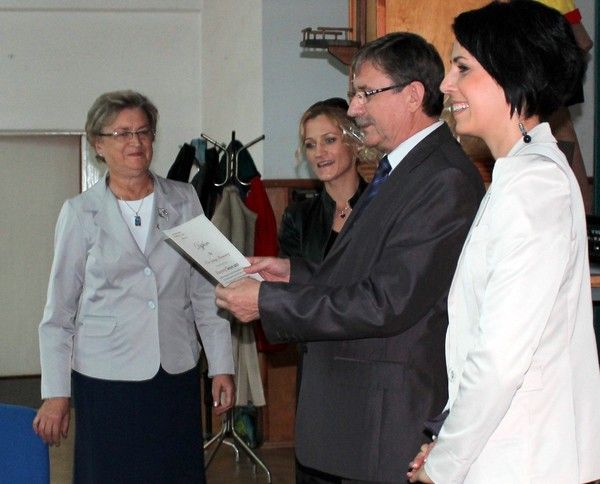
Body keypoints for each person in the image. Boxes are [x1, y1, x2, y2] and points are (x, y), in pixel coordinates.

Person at [216, 32, 485, 482]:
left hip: (388, 416)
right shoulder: (403, 167)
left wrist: (267, 302)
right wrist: (294, 273)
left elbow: (387, 301)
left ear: (413, 95)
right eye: (354, 94)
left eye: (365, 93)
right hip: (365, 412)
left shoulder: (442, 178)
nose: (355, 109)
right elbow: (364, 271)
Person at [406, 2, 600, 483]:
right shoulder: (519, 174)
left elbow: (500, 358)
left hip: (523, 461)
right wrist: (447, 441)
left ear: (513, 74)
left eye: (463, 68)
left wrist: (446, 462)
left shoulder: (533, 185)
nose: (446, 84)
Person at [33, 90, 235, 483]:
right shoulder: (79, 213)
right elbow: (59, 312)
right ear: (99, 144)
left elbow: (204, 291)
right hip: (106, 378)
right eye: (122, 133)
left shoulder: (185, 200)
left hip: (174, 370)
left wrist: (221, 365)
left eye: (143, 131)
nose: (135, 141)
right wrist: (56, 393)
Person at [281, 97, 368, 483]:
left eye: (329, 140)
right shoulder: (297, 217)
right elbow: (291, 296)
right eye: (311, 144)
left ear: (354, 141)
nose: (319, 153)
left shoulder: (382, 209)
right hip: (317, 361)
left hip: (369, 360)